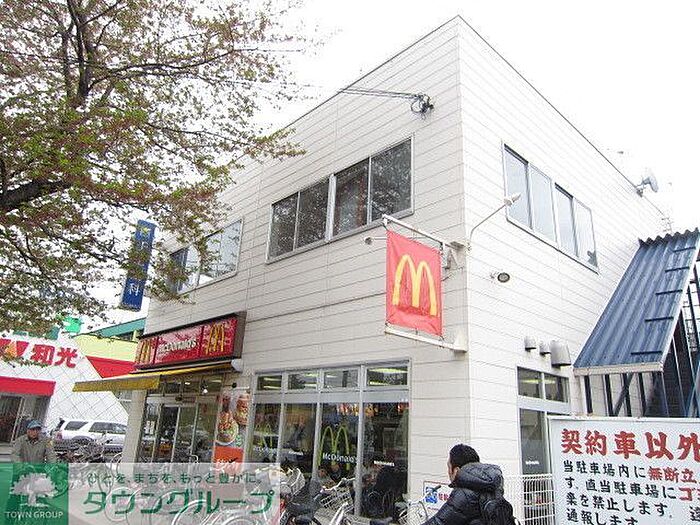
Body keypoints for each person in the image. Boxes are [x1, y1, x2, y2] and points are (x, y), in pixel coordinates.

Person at [423, 444, 504, 525]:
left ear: (456, 471)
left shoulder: (464, 493)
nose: (448, 472)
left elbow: (439, 522)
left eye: (449, 467)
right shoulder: (494, 486)